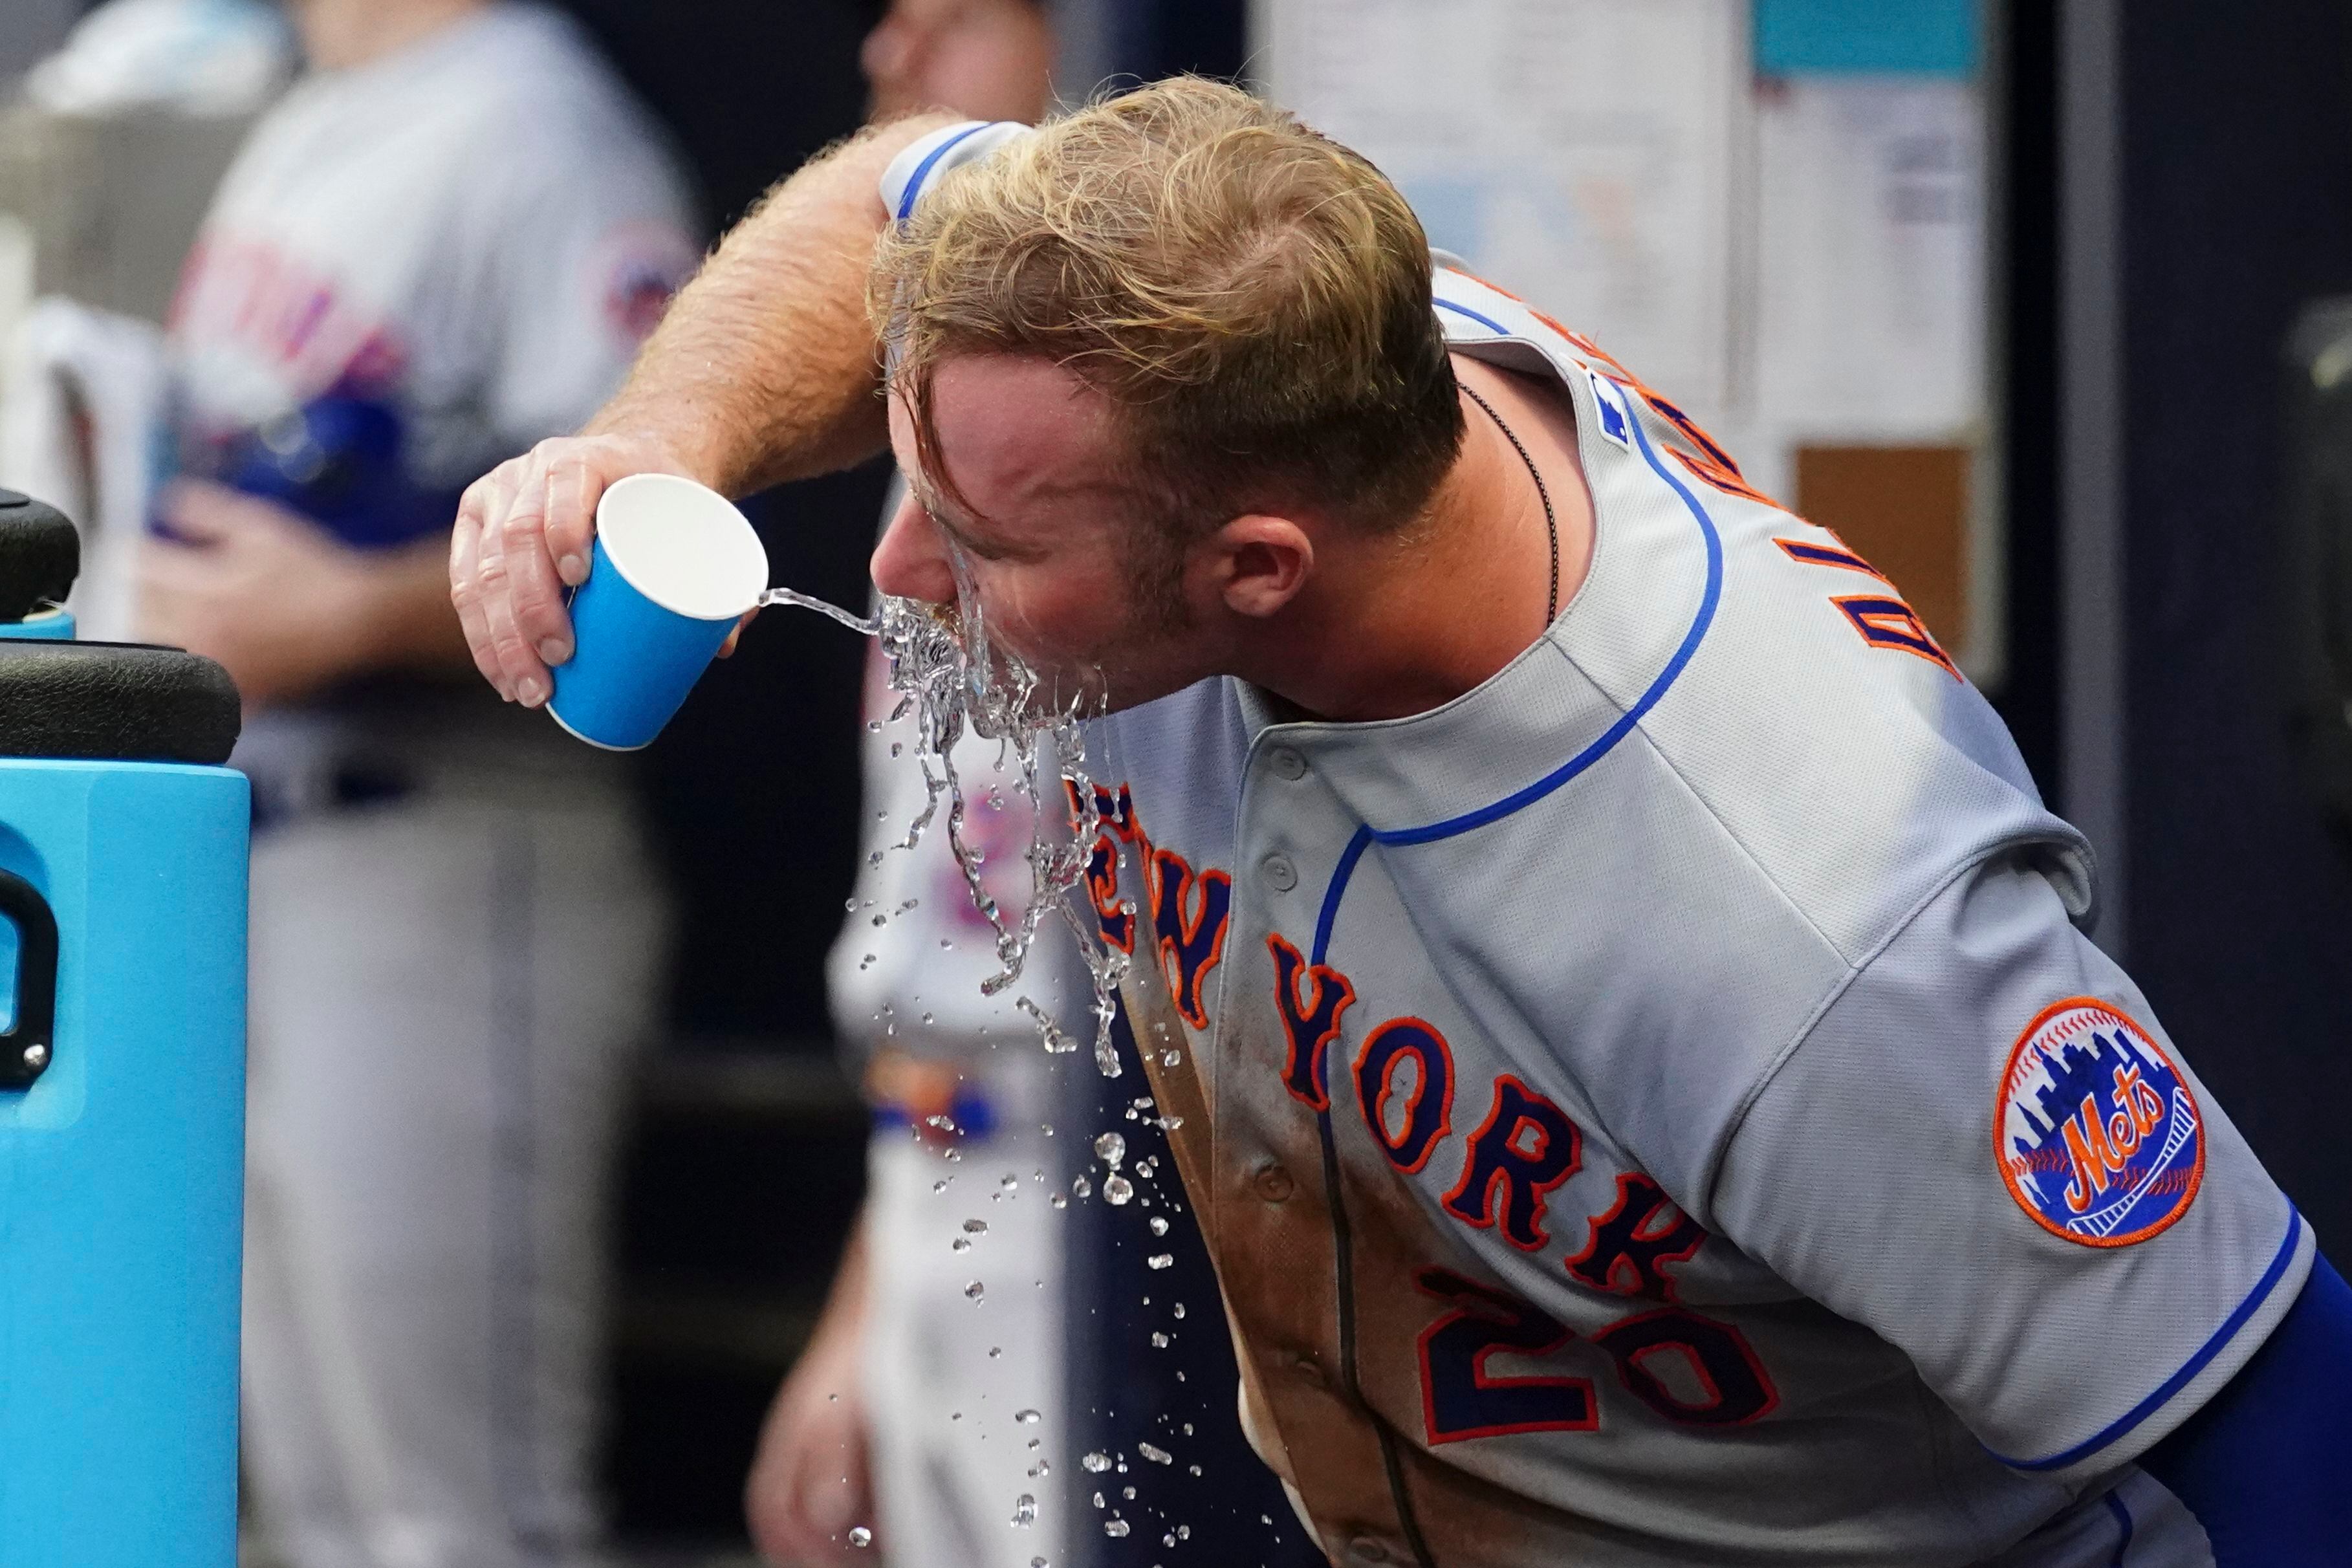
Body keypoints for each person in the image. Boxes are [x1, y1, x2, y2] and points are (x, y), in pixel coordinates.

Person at [449, 79, 2352, 1566]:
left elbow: (2285, 1424)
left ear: (1256, 568)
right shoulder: (1256, 342)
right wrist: (662, 441)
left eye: (989, 541)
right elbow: (897, 198)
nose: (895, 569)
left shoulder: (1809, 919)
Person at [138, 3, 697, 1564]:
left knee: (461, 1520)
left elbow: (661, 529)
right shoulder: (313, 109)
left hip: (449, 850)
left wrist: (349, 611)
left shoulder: (537, 119)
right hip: (265, 849)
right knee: (307, 1510)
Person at [740, 7, 1075, 1565]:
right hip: (937, 1162)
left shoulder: (1162, 445)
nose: (896, 48)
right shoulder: (939, 410)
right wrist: (858, 1314)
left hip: (1116, 1192)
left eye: (966, 9)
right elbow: (932, 955)